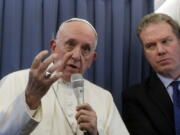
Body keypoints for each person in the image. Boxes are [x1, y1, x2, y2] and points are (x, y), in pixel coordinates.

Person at [0, 18, 129, 135]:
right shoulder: (16, 81)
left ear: (92, 59)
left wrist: (95, 133)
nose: (76, 56)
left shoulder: (104, 98)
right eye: (70, 44)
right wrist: (29, 100)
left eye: (85, 49)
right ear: (54, 47)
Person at [122, 13, 180, 135]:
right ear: (144, 53)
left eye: (166, 41)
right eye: (151, 46)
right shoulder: (134, 98)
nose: (160, 51)